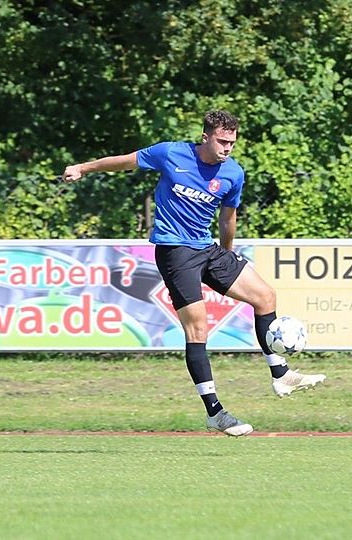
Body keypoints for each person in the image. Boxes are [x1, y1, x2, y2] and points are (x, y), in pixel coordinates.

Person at [62, 110, 325, 437]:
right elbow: (125, 161)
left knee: (265, 296)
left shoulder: (233, 173)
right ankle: (215, 412)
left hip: (208, 249)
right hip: (174, 252)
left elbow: (227, 218)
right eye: (222, 141)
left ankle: (280, 374)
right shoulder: (170, 153)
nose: (227, 148)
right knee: (199, 328)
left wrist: (227, 254)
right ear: (205, 137)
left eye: (232, 142)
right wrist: (83, 168)